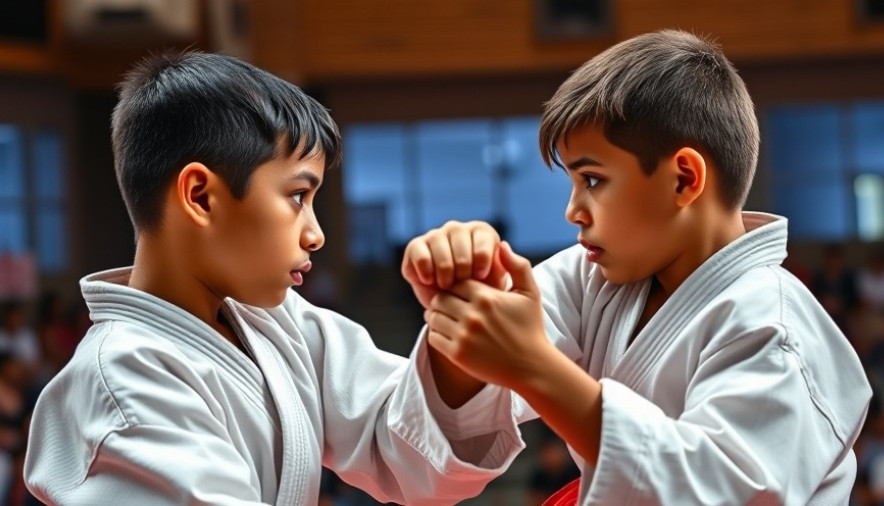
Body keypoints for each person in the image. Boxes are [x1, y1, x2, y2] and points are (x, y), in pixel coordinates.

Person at [23, 51, 525, 505]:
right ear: (201, 197)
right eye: (297, 197)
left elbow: (400, 440)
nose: (315, 235)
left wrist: (456, 326)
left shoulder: (276, 322)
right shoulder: (125, 380)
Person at [401, 30, 871, 503]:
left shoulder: (774, 327)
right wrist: (467, 296)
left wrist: (534, 367)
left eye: (592, 179)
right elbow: (470, 394)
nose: (573, 210)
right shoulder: (595, 278)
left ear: (684, 179)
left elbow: (714, 493)